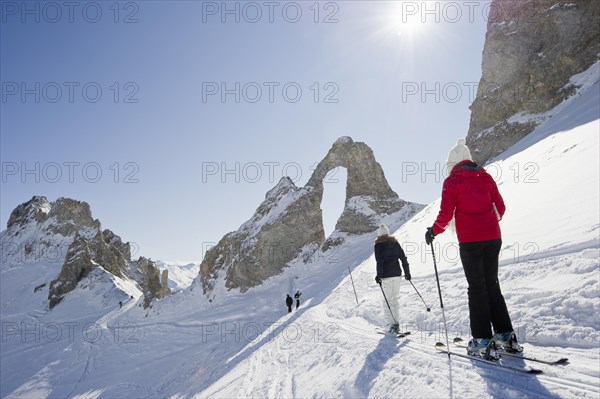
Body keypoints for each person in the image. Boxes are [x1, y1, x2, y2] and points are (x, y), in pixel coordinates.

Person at [425, 138, 519, 358]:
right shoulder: (485, 177)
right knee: (492, 285)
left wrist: (433, 231)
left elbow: (446, 214)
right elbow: (501, 208)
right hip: (493, 238)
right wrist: (488, 223)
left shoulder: (452, 181)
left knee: (476, 288)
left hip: (470, 242)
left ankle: (482, 340)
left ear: (453, 163)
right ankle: (505, 336)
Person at [374, 224, 411, 334]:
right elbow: (403, 258)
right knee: (394, 300)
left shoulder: (378, 246)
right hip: (397, 275)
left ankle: (389, 326)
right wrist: (407, 272)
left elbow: (379, 261)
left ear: (379, 235)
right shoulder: (395, 243)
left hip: (386, 277)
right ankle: (396, 324)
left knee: (388, 301)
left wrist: (378, 275)